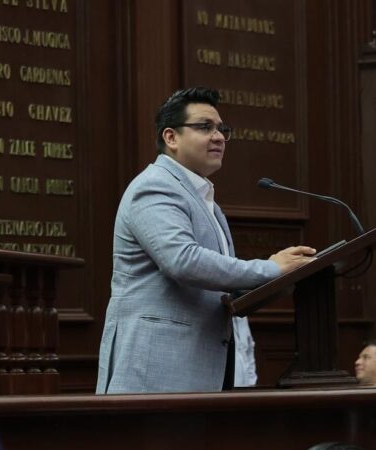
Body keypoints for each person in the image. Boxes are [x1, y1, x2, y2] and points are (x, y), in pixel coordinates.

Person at [96, 87, 316, 394]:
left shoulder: (206, 201)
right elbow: (183, 261)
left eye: (222, 129)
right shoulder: (154, 186)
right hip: (154, 377)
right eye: (204, 127)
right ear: (171, 137)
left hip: (197, 375)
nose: (219, 137)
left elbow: (225, 289)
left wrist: (288, 276)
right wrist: (270, 269)